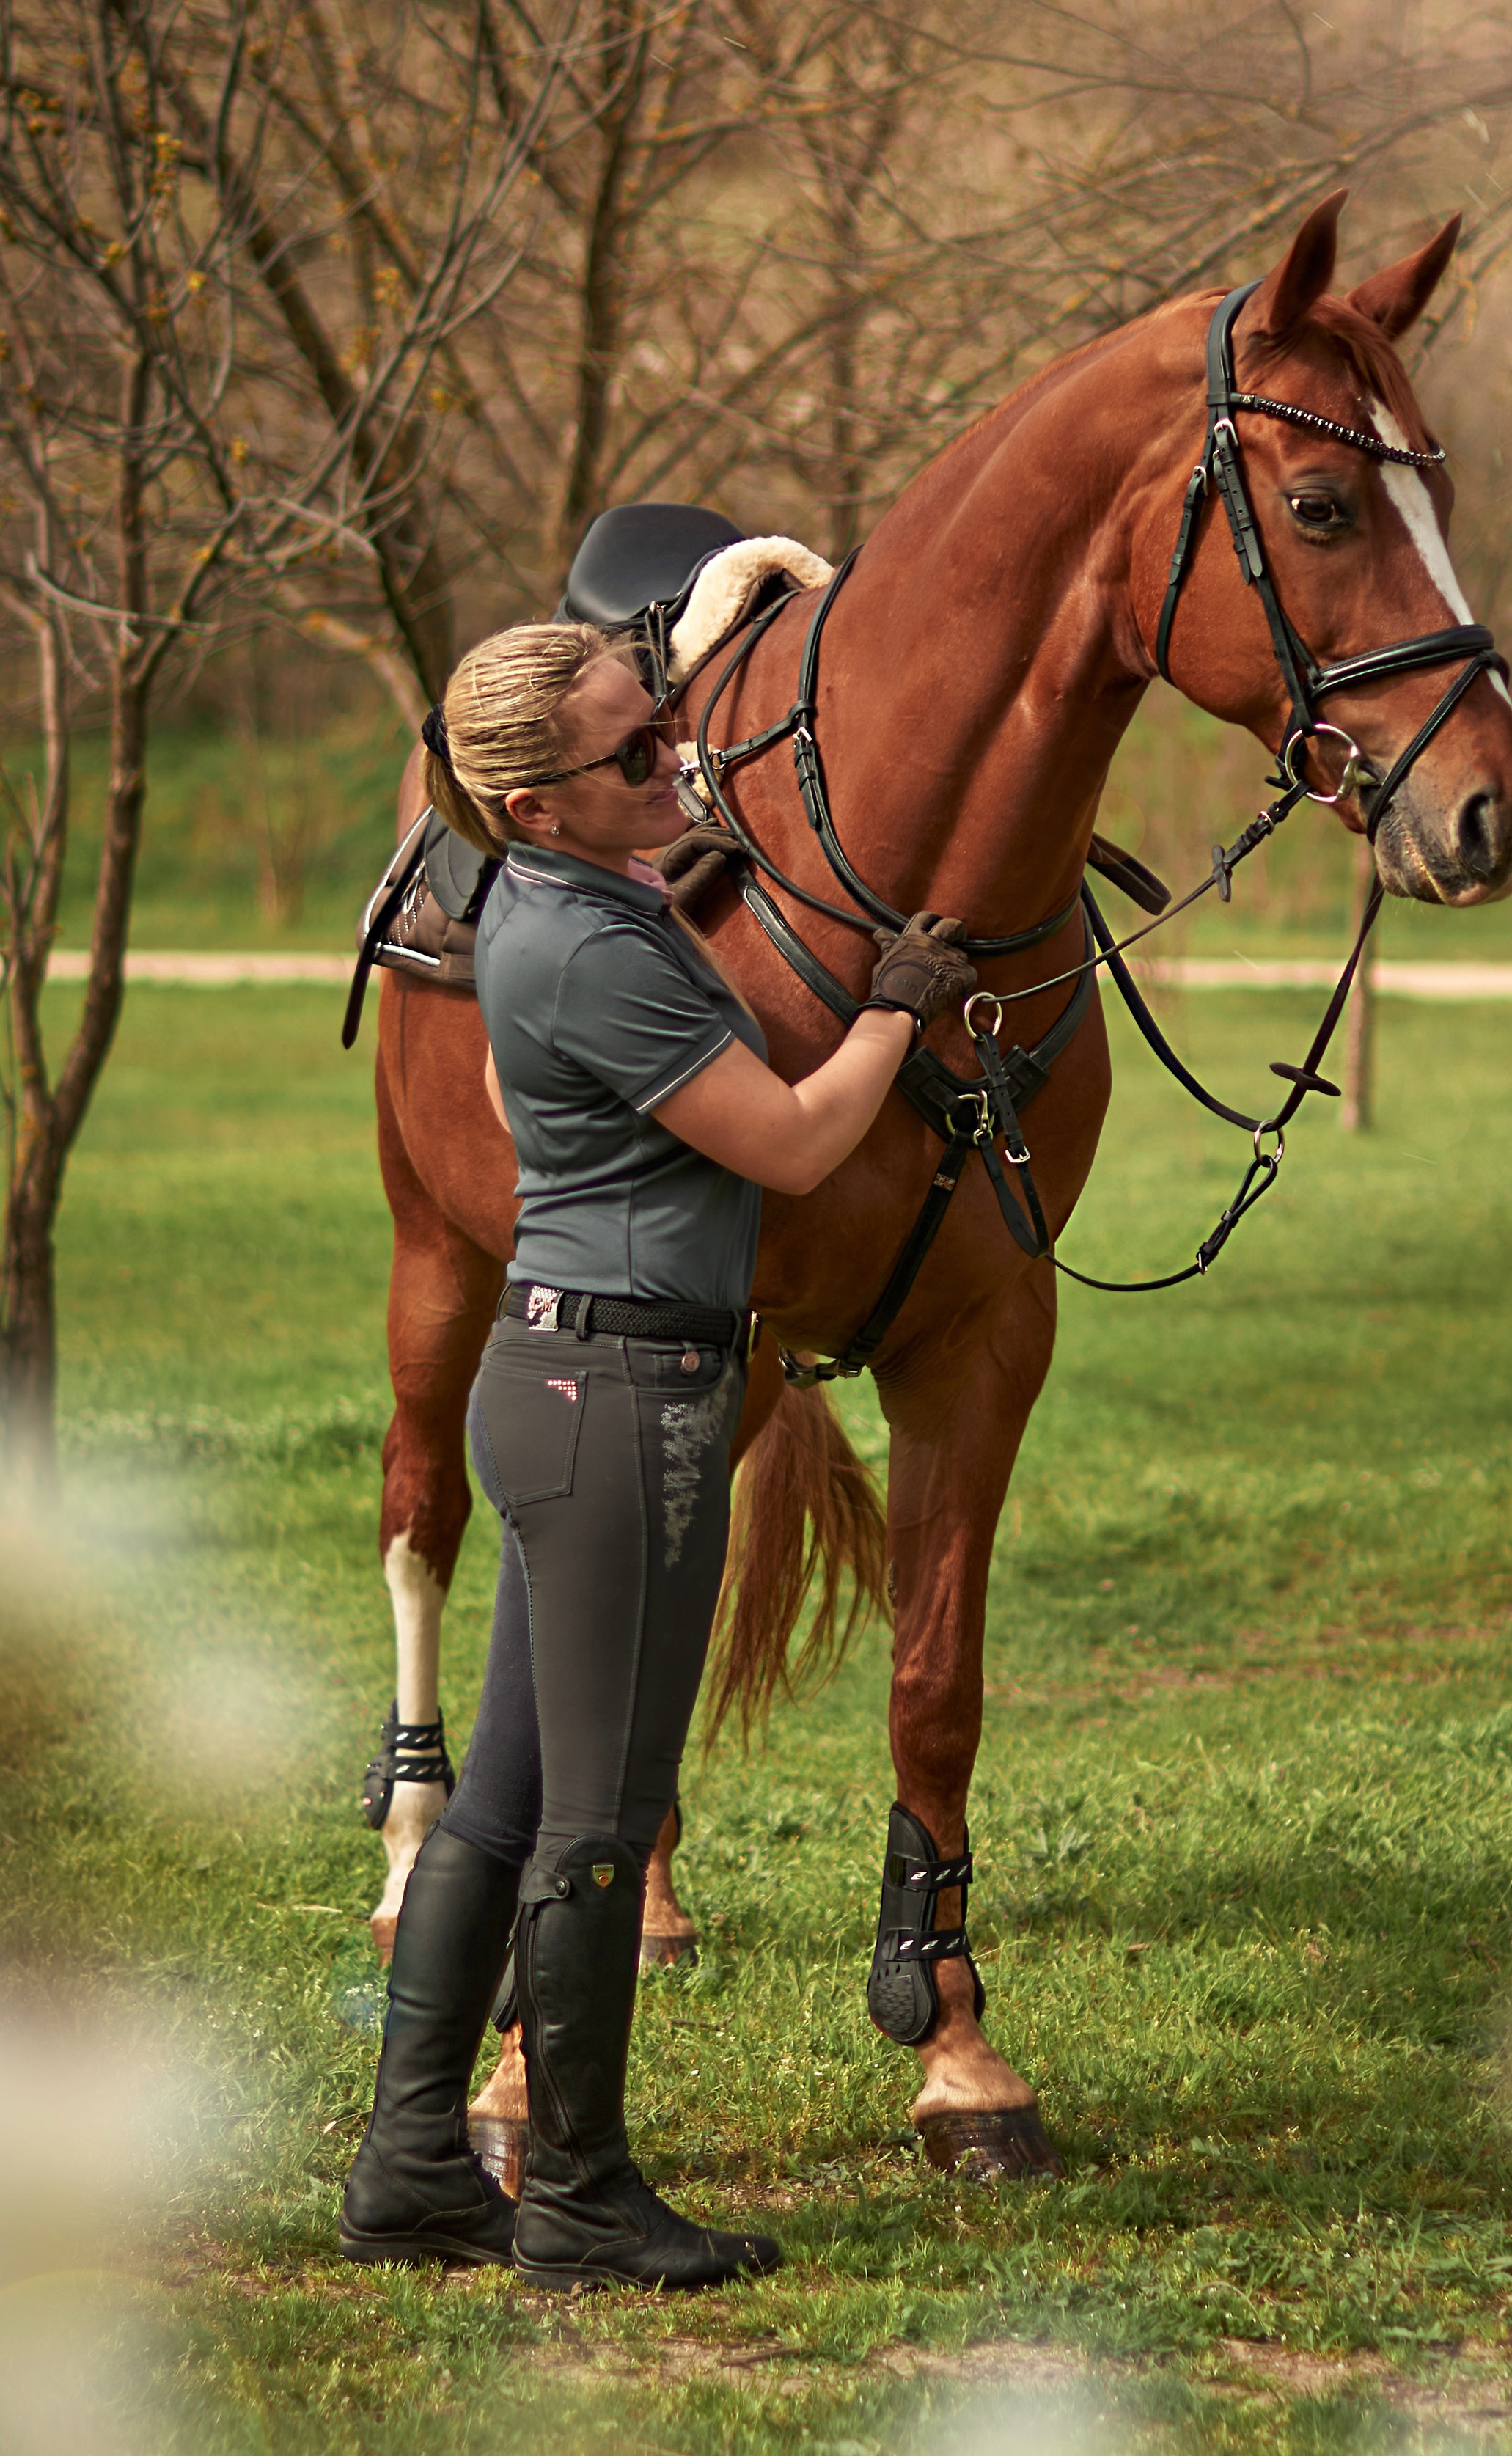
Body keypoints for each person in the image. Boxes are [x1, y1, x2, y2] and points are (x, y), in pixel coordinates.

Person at [340, 618, 975, 2290]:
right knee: (599, 1825)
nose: (676, 760)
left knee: (499, 1803)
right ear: (538, 808)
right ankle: (580, 2194)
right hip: (622, 1406)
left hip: (564, 1389)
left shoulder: (578, 897)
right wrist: (897, 1017)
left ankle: (410, 2165)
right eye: (635, 753)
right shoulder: (583, 940)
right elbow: (786, 1140)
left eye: (667, 724)